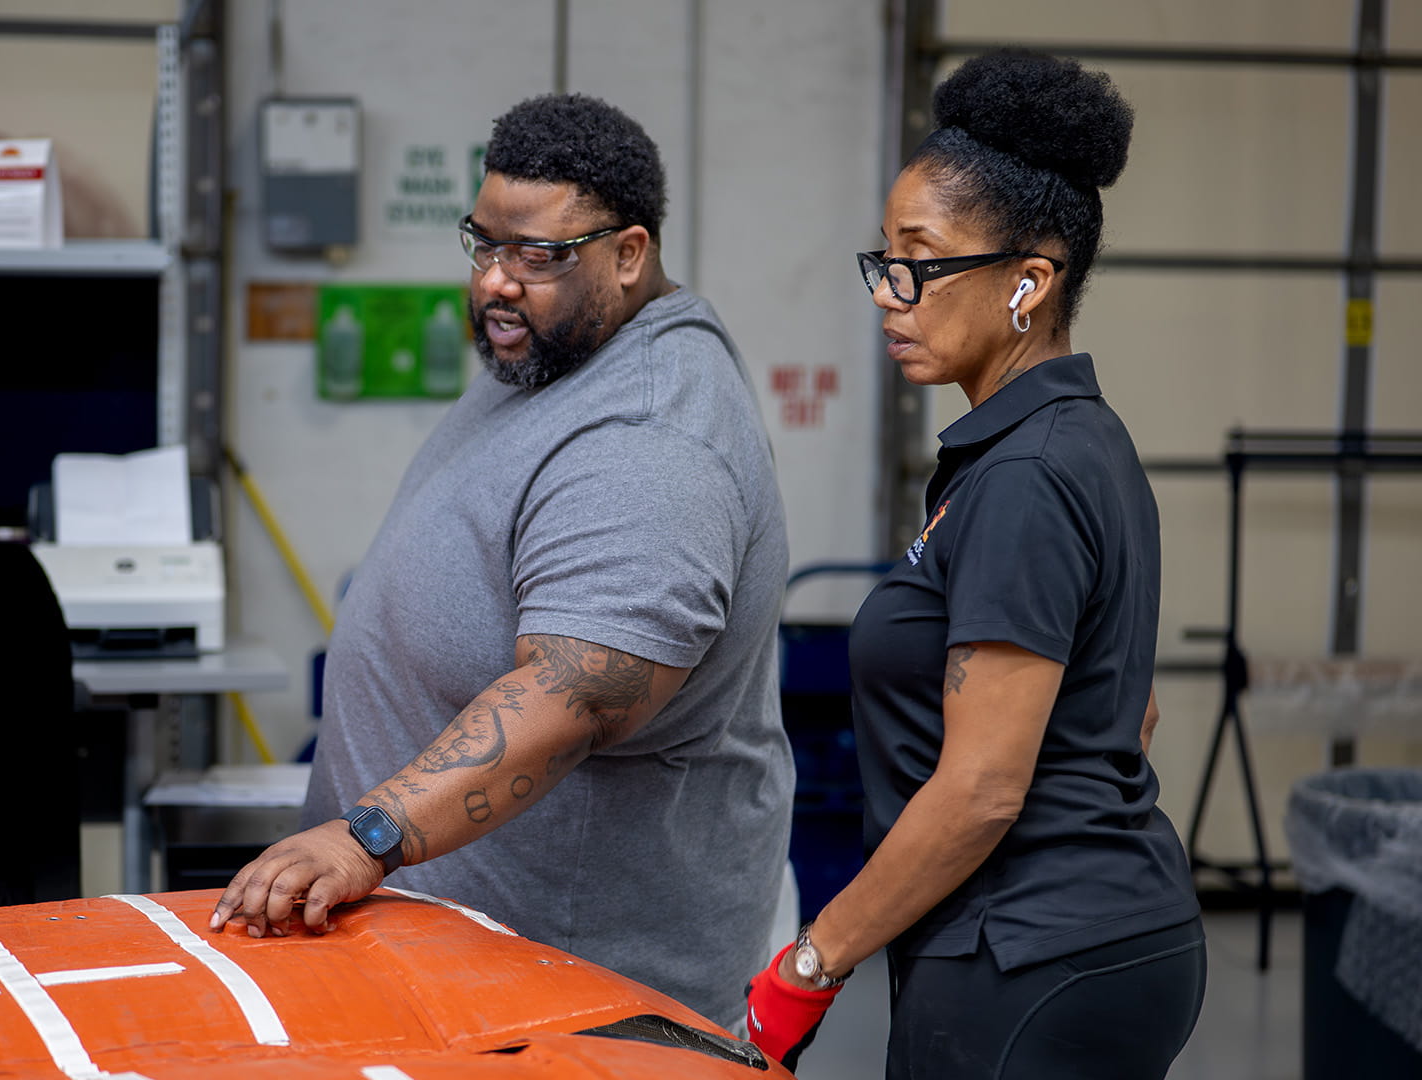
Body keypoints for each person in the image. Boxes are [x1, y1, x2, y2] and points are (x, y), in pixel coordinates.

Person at [210, 93, 792, 1029]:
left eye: (537, 256)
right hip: (458, 979)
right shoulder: (555, 364)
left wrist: (367, 838)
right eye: (483, 244)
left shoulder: (649, 433)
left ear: (629, 253)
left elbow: (576, 696)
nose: (495, 282)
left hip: (568, 1002)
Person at [746, 50, 1206, 1077]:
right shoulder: (1075, 440)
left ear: (1029, 282)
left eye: (921, 259)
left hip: (1026, 948)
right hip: (1094, 932)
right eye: (884, 258)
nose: (889, 293)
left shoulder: (1025, 475)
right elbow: (1125, 709)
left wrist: (806, 967)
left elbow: (984, 790)